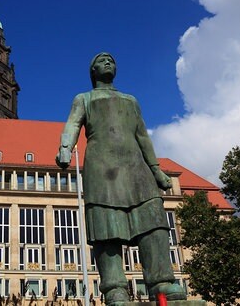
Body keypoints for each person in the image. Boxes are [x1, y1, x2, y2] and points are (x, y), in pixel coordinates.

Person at [56, 53, 186, 304]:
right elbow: (72, 125)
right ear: (93, 71)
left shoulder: (131, 101)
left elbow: (143, 136)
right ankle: (114, 287)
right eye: (101, 61)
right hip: (102, 168)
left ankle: (161, 283)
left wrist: (156, 168)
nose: (108, 63)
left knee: (154, 224)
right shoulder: (84, 99)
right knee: (106, 227)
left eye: (112, 60)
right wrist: (64, 148)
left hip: (136, 167)